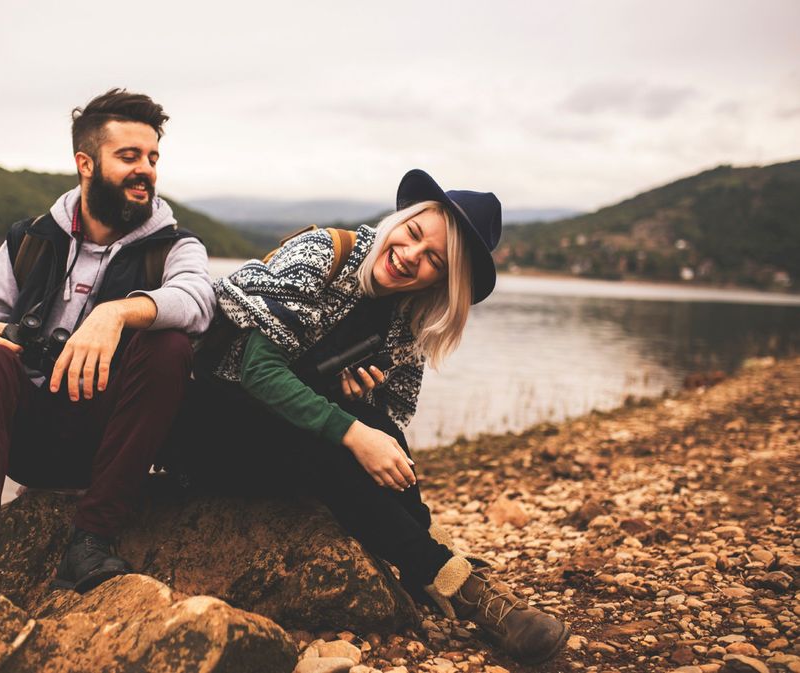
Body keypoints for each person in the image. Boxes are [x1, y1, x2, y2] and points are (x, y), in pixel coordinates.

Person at [166, 169, 568, 664]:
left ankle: (439, 569)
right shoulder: (323, 253)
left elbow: (388, 421)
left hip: (271, 440)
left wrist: (356, 405)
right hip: (203, 425)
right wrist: (350, 428)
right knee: (339, 442)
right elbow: (257, 371)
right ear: (401, 219)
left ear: (443, 280)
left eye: (433, 261)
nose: (409, 256)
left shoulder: (407, 320)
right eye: (414, 234)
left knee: (380, 431)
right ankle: (464, 591)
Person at [0, 89, 215, 594]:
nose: (146, 170)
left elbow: (199, 302)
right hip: (24, 438)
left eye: (153, 158)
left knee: (170, 346)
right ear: (86, 163)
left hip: (110, 443)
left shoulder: (177, 246)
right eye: (129, 156)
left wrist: (116, 313)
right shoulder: (29, 239)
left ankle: (90, 542)